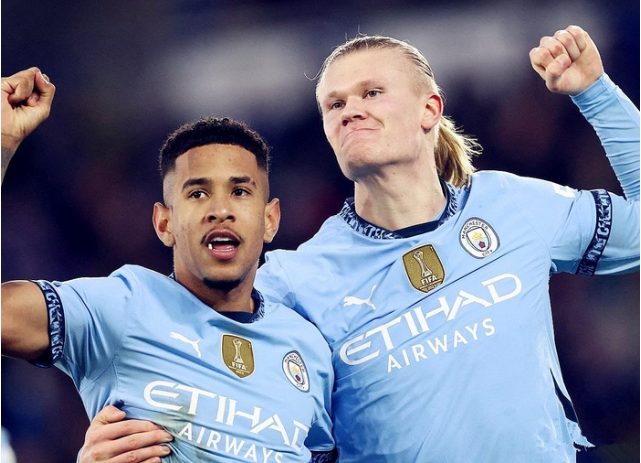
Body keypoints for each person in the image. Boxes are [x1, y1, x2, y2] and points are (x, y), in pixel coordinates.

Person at [40, 24, 641, 462]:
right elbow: (200, 378)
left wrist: (595, 91)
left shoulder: (515, 206)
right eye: (335, 103)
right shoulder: (293, 281)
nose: (350, 110)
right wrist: (117, 440)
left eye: (371, 93)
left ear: (430, 109)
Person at [0, 68, 337, 463]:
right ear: (164, 224)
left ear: (270, 220)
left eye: (240, 191)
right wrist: (2, 144)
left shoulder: (309, 348)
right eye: (197, 193)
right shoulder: (122, 306)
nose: (220, 210)